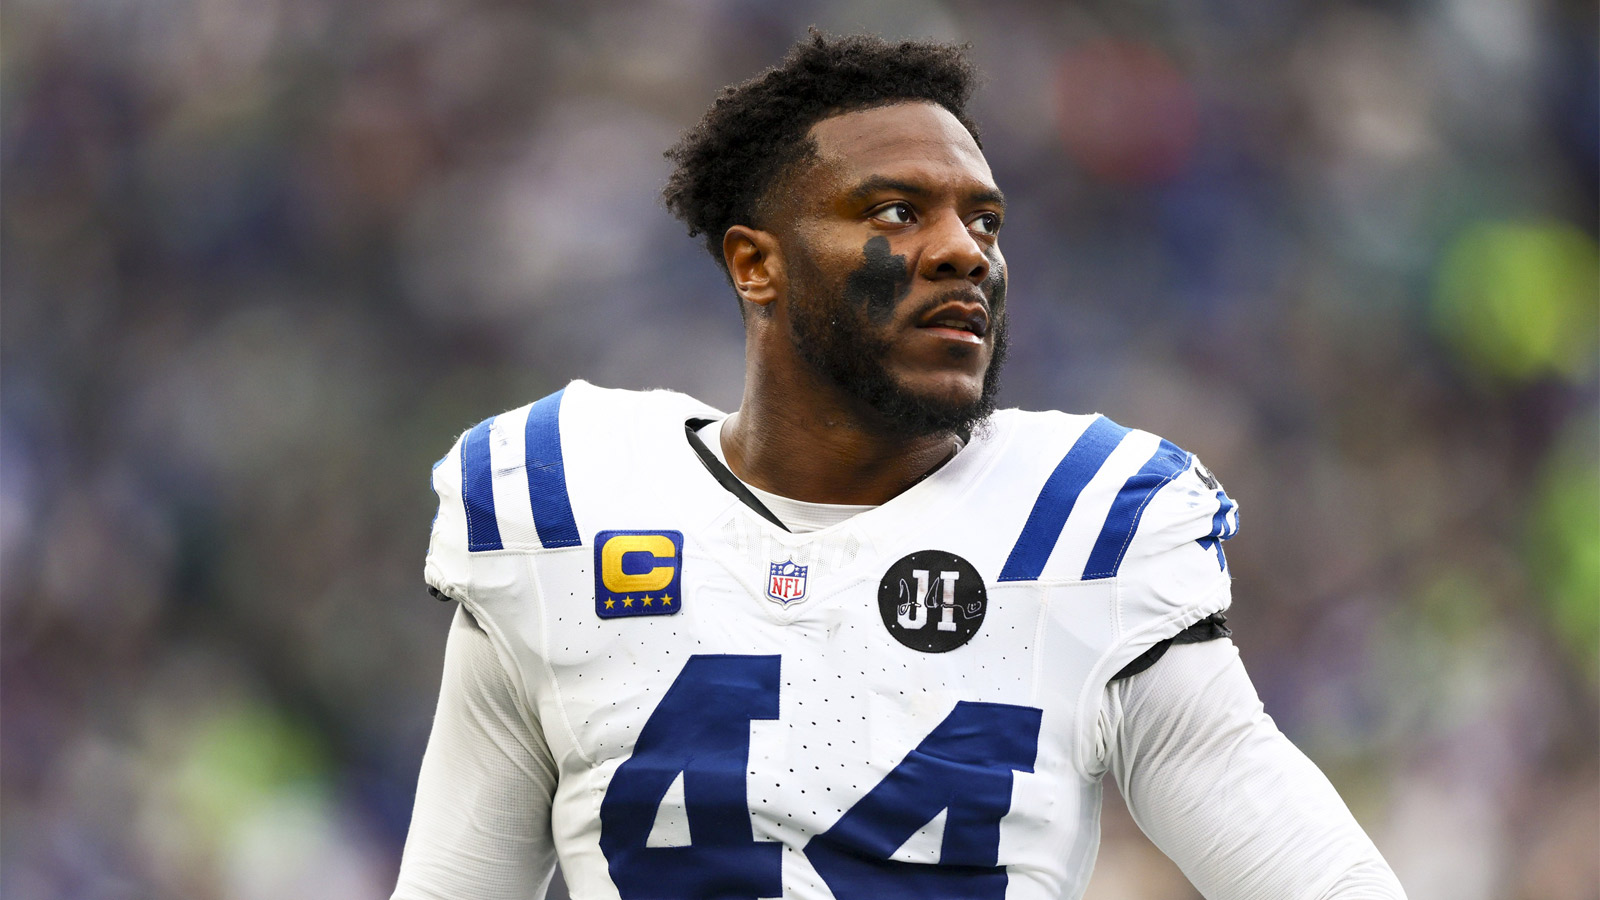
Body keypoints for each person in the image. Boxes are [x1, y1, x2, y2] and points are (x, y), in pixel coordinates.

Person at [391, 33, 1406, 900]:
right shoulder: (565, 510)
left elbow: (1316, 879)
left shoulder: (1081, 530)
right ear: (757, 264)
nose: (964, 250)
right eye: (893, 212)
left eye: (985, 220)